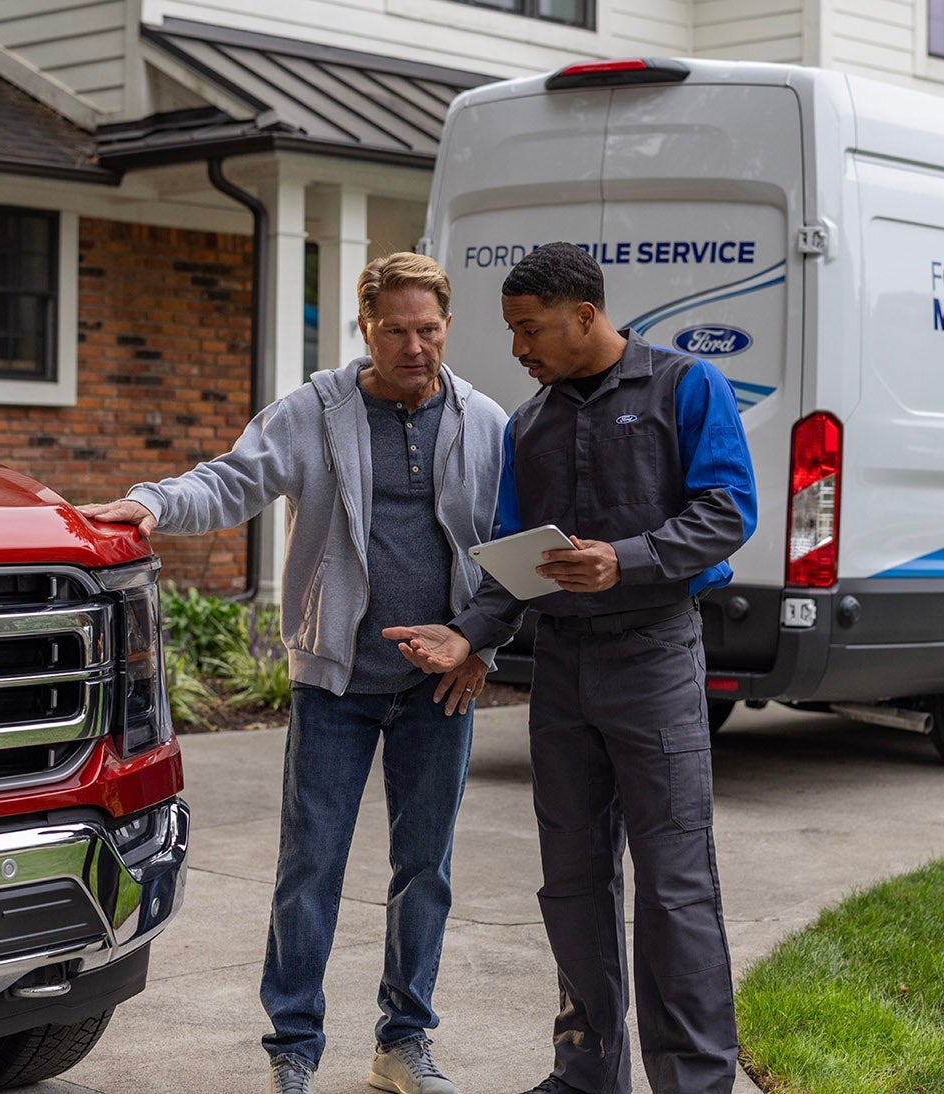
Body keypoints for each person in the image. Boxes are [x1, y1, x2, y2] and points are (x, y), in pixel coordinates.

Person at [79, 253, 508, 1094]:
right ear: (365, 327)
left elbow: (503, 548)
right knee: (311, 865)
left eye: (428, 329)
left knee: (426, 867)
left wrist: (481, 646)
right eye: (396, 330)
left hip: (440, 686)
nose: (413, 346)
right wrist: (154, 502)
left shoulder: (486, 420)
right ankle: (294, 1049)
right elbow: (233, 482)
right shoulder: (316, 412)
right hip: (336, 680)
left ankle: (404, 1041)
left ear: (447, 326)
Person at [384, 242, 757, 1094]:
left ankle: (694, 1082)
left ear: (584, 316)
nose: (518, 349)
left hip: (654, 656)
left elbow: (728, 509)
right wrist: (468, 634)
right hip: (562, 674)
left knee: (674, 884)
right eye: (512, 331)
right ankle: (585, 1074)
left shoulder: (684, 386)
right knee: (573, 881)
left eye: (529, 329)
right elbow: (514, 560)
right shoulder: (532, 424)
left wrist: (625, 559)